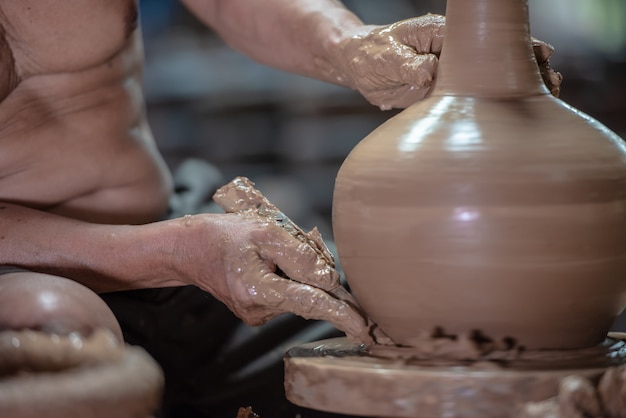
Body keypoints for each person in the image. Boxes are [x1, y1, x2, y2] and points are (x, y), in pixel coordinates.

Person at [0, 1, 562, 416]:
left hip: (174, 221)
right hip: (27, 269)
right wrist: (173, 252)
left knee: (435, 337)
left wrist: (351, 45)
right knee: (57, 330)